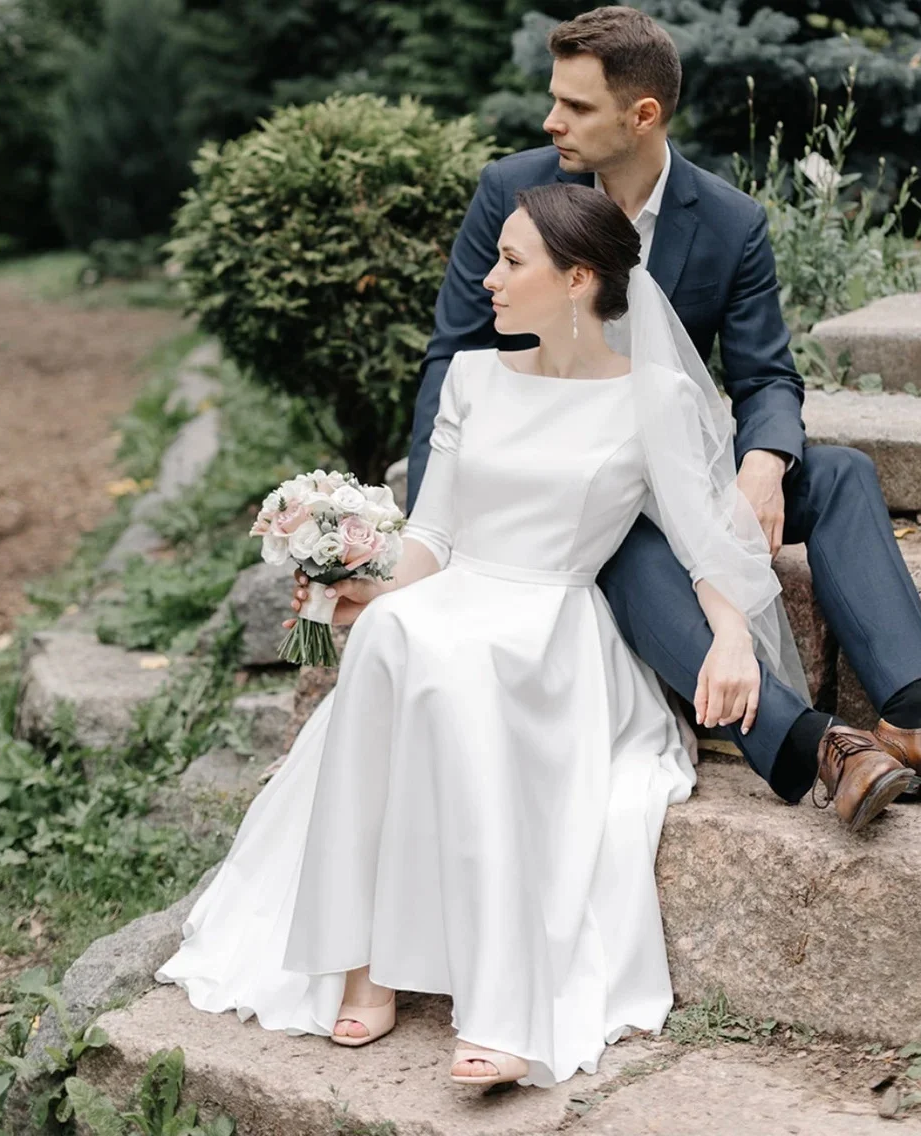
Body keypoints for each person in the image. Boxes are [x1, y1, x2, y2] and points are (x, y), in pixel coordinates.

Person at [295, 5, 921, 825]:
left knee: (841, 472)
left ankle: (919, 719)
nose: (549, 119)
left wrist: (765, 460)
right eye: (553, 100)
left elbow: (767, 374)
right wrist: (434, 525)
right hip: (569, 479)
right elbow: (451, 356)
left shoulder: (730, 222)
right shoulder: (513, 192)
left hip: (670, 455)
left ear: (642, 116)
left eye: (576, 106)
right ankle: (812, 745)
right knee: (619, 538)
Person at [159, 183, 796, 1087]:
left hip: (554, 628)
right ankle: (362, 962)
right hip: (461, 594)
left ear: (577, 279)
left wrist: (731, 637)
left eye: (511, 261)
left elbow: (707, 542)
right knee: (394, 636)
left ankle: (503, 1002)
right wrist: (355, 586)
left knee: (458, 660)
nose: (488, 279)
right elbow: (434, 535)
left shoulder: (653, 396)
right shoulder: (471, 376)